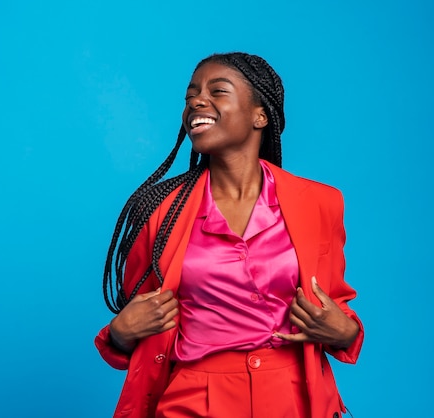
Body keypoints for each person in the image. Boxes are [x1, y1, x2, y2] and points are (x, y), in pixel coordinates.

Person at [95, 52, 364, 418]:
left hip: (293, 399)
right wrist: (119, 334)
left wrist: (345, 332)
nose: (196, 102)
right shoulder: (159, 210)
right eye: (191, 95)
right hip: (192, 400)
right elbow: (139, 320)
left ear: (260, 115)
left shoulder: (320, 203)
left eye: (217, 91)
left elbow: (335, 308)